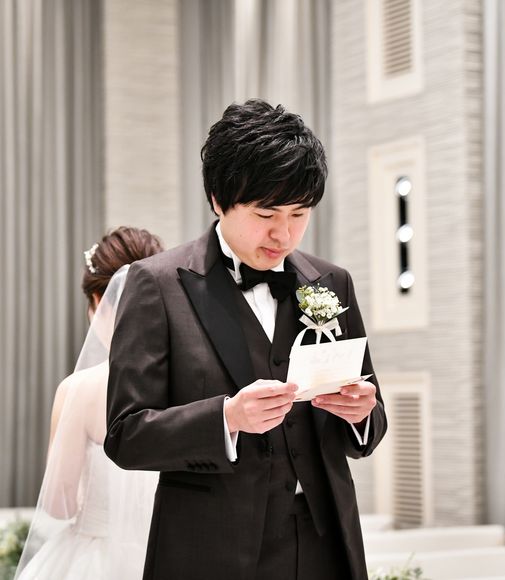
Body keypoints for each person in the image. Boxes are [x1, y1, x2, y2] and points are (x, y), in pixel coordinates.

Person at [104, 99, 387, 580]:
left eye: (300, 214)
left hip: (325, 546)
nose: (284, 234)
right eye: (266, 213)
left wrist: (362, 415)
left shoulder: (331, 282)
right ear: (218, 200)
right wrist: (227, 418)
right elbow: (125, 436)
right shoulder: (157, 284)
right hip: (210, 551)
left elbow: (370, 427)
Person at [15, 227, 164, 580]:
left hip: (93, 559)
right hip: (167, 556)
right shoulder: (188, 384)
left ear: (97, 300)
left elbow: (59, 505)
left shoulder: (78, 391)